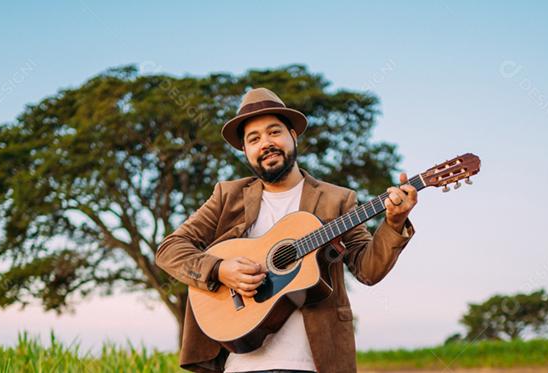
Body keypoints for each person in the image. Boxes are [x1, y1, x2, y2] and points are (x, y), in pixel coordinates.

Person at [156, 87, 417, 373]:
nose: (265, 143)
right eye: (253, 139)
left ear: (293, 135)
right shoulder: (227, 196)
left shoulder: (337, 199)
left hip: (314, 364)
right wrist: (219, 269)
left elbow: (368, 270)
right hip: (241, 364)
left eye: (274, 132)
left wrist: (394, 224)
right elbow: (170, 249)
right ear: (245, 150)